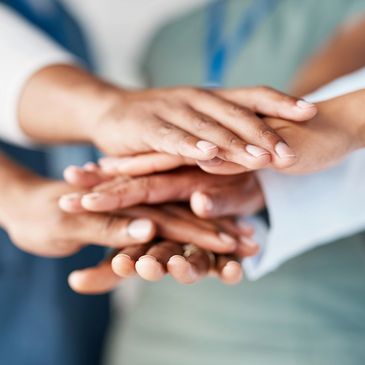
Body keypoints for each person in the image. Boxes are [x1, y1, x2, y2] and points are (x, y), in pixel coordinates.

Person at [65, 1, 365, 364]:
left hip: (312, 334)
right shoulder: (171, 36)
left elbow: (312, 114)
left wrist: (263, 160)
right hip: (155, 338)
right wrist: (155, 188)